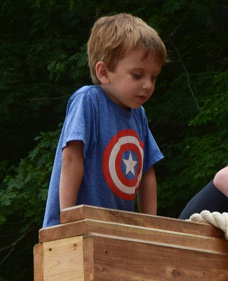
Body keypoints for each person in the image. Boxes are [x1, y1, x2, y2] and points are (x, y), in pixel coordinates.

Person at [42, 13, 165, 228]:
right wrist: (68, 222)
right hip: (77, 228)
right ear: (104, 72)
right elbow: (71, 158)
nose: (148, 85)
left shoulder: (138, 114)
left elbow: (147, 172)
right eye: (138, 75)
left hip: (114, 231)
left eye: (153, 77)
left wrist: (149, 227)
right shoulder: (89, 101)